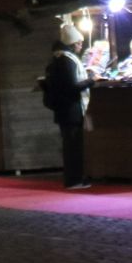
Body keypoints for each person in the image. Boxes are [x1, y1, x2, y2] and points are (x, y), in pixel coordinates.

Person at [39, 24, 94, 190]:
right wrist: (91, 80)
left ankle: (73, 178)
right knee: (73, 145)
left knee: (70, 145)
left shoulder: (56, 59)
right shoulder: (67, 60)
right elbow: (72, 86)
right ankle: (74, 180)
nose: (80, 46)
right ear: (72, 44)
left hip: (63, 109)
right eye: (78, 43)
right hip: (72, 109)